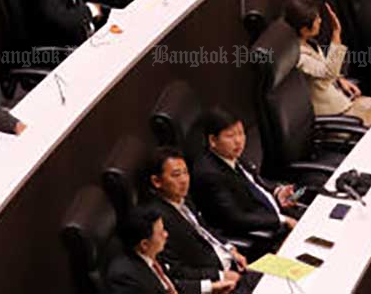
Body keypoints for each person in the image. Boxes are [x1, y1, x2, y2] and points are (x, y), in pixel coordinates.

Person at [145, 149, 247, 293]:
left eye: (186, 172)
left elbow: (205, 230)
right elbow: (176, 270)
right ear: (157, 181)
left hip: (233, 265)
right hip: (220, 281)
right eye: (176, 175)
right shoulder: (158, 220)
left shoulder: (183, 200)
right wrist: (218, 276)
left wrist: (230, 249)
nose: (184, 180)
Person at [192, 109, 298, 247]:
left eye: (241, 133)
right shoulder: (210, 175)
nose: (238, 141)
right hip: (265, 235)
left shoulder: (228, 154)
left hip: (275, 212)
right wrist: (281, 220)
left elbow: (254, 181)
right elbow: (235, 218)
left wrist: (277, 192)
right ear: (212, 140)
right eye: (230, 136)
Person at [283, 0, 371, 126]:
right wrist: (336, 33)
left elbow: (323, 70)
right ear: (304, 29)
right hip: (335, 115)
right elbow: (328, 71)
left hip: (341, 100)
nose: (320, 21)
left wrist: (340, 79)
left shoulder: (308, 43)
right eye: (316, 19)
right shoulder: (299, 57)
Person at [104, 205, 188, 294]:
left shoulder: (153, 254)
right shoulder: (126, 278)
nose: (166, 234)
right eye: (160, 233)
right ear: (144, 244)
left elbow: (173, 284)